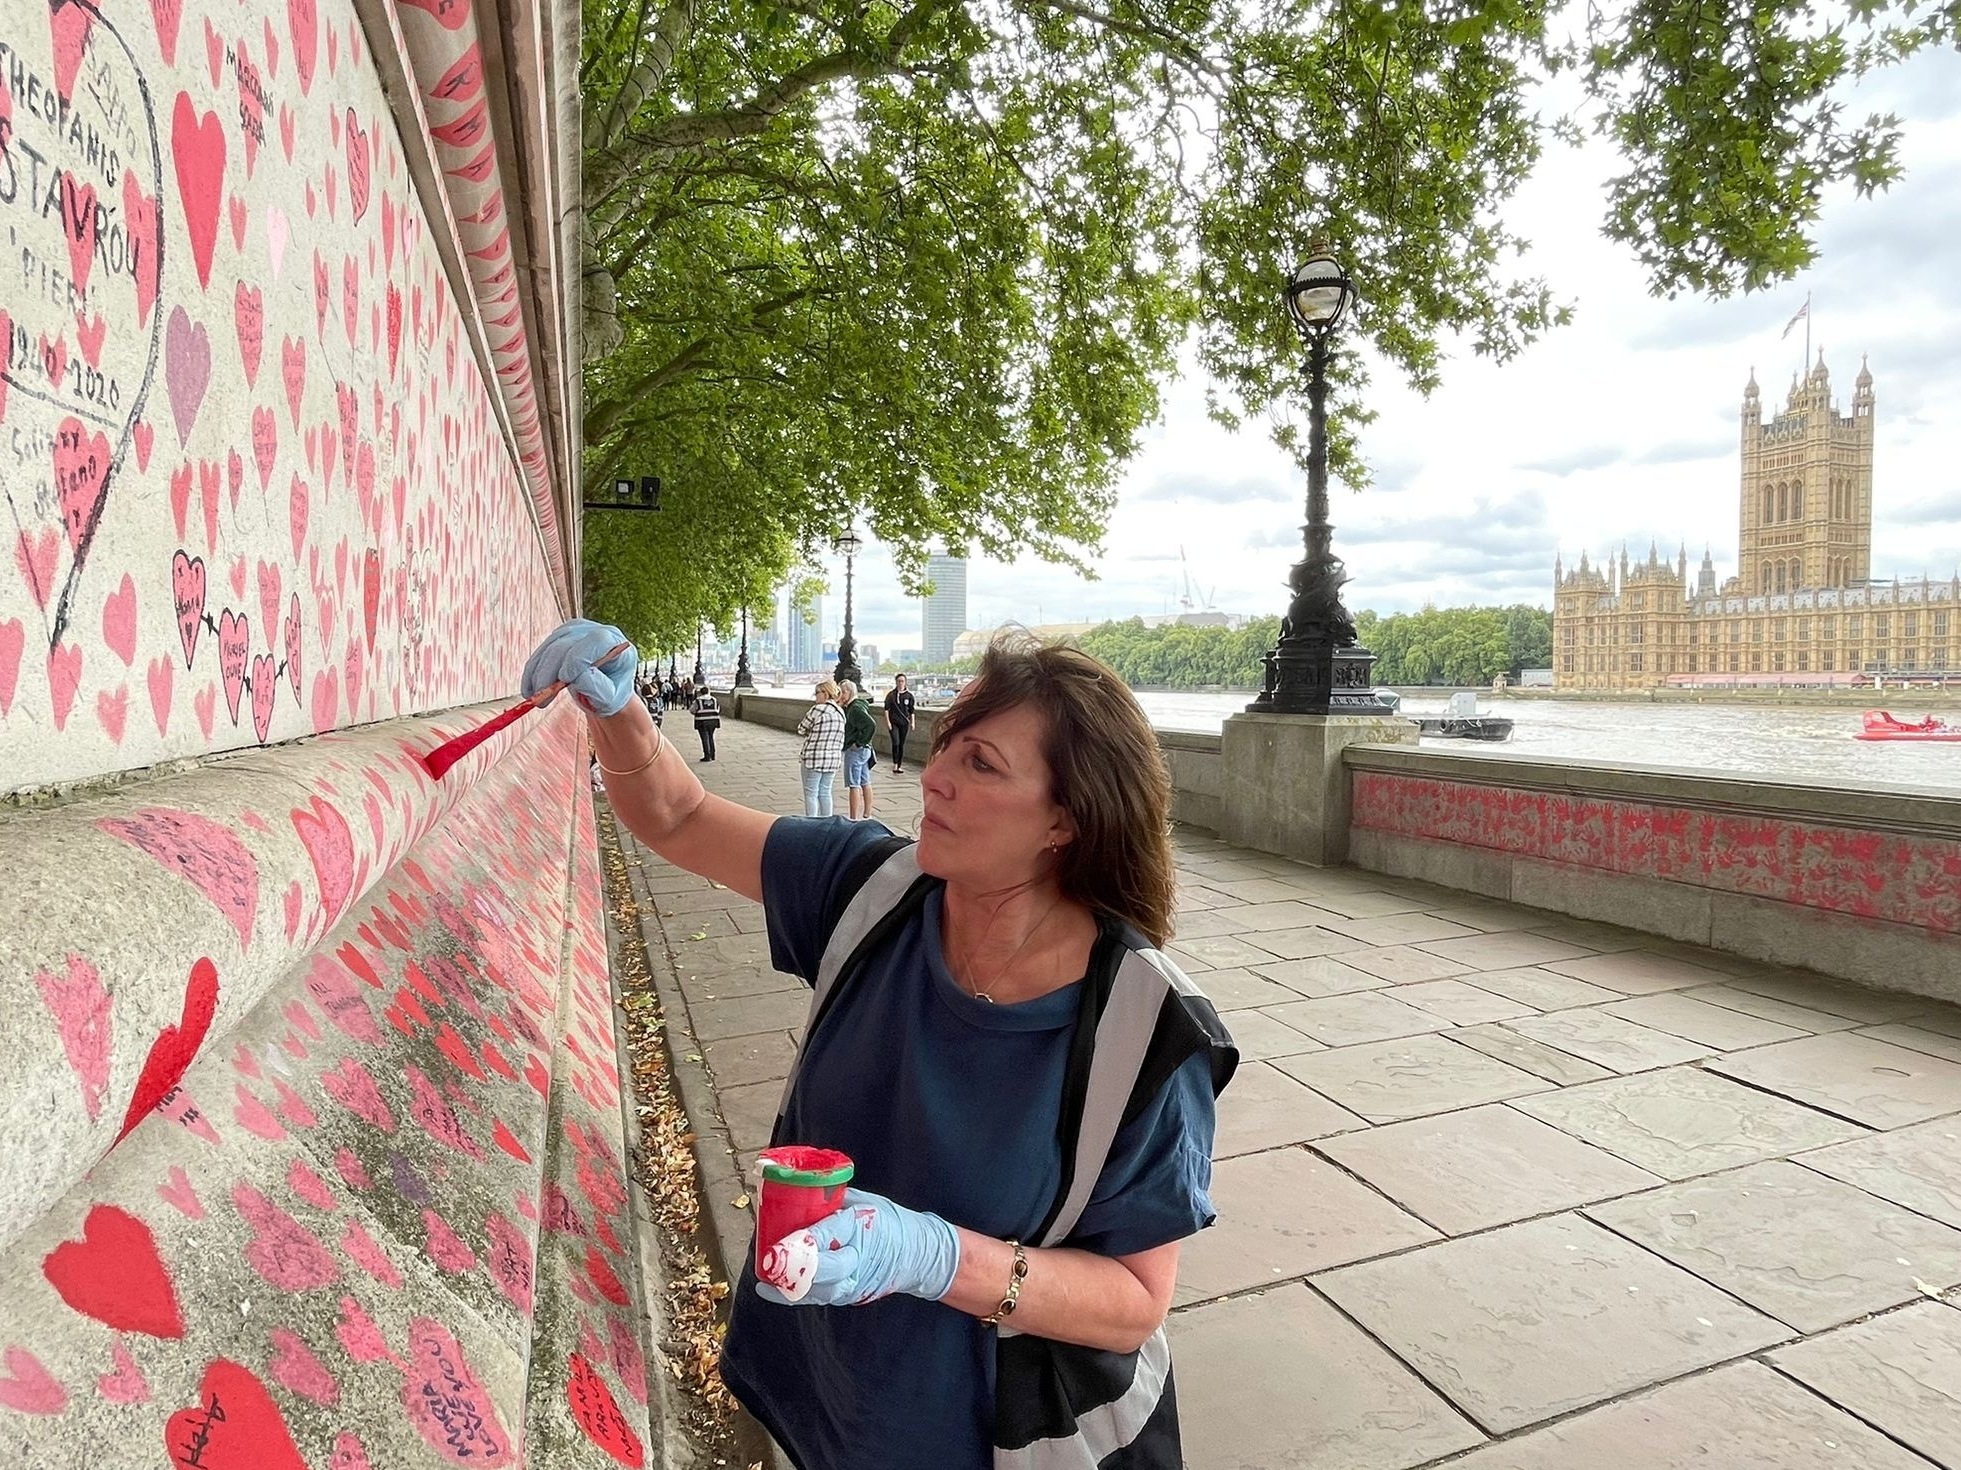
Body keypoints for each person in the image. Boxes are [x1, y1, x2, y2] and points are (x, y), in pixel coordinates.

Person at [521, 621, 1236, 1469]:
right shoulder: (871, 887)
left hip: (971, 1435)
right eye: (947, 749)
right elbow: (680, 816)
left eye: (981, 765)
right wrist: (619, 709)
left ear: (1066, 821)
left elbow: (1132, 1303)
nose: (932, 777)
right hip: (813, 1382)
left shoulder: (1145, 1027)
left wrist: (932, 1257)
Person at [794, 679, 846, 817]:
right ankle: (826, 822)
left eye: (817, 693)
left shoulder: (818, 709)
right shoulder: (840, 712)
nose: (815, 696)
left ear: (825, 693)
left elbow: (801, 728)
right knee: (825, 791)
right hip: (833, 759)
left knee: (810, 792)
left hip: (814, 758)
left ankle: (812, 823)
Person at [839, 679, 877, 820]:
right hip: (866, 750)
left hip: (856, 750)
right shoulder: (858, 705)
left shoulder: (854, 709)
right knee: (865, 781)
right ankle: (867, 813)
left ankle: (853, 817)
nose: (841, 695)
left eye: (843, 692)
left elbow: (870, 725)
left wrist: (859, 742)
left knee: (853, 784)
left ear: (850, 692)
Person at [882, 673, 916, 772]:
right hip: (894, 722)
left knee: (901, 744)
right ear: (896, 682)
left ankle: (899, 765)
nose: (901, 683)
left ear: (905, 682)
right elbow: (886, 709)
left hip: (904, 723)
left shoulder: (909, 696)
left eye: (902, 681)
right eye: (899, 681)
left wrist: (912, 722)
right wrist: (888, 722)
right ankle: (895, 763)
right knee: (896, 742)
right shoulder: (891, 695)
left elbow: (911, 710)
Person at [692, 682, 722, 762]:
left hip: (702, 721)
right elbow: (718, 709)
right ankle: (713, 755)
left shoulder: (698, 700)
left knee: (705, 738)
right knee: (711, 737)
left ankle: (707, 756)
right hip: (713, 720)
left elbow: (692, 710)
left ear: (701, 692)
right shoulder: (714, 700)